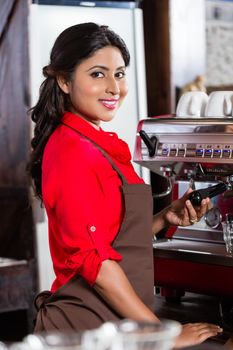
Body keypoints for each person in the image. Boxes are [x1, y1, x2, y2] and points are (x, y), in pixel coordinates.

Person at [28, 23, 222, 347]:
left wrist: (164, 218)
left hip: (118, 323)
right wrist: (163, 333)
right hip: (87, 328)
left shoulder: (93, 144)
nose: (114, 88)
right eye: (97, 74)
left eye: (119, 74)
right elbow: (97, 263)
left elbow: (109, 239)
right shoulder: (71, 151)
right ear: (64, 80)